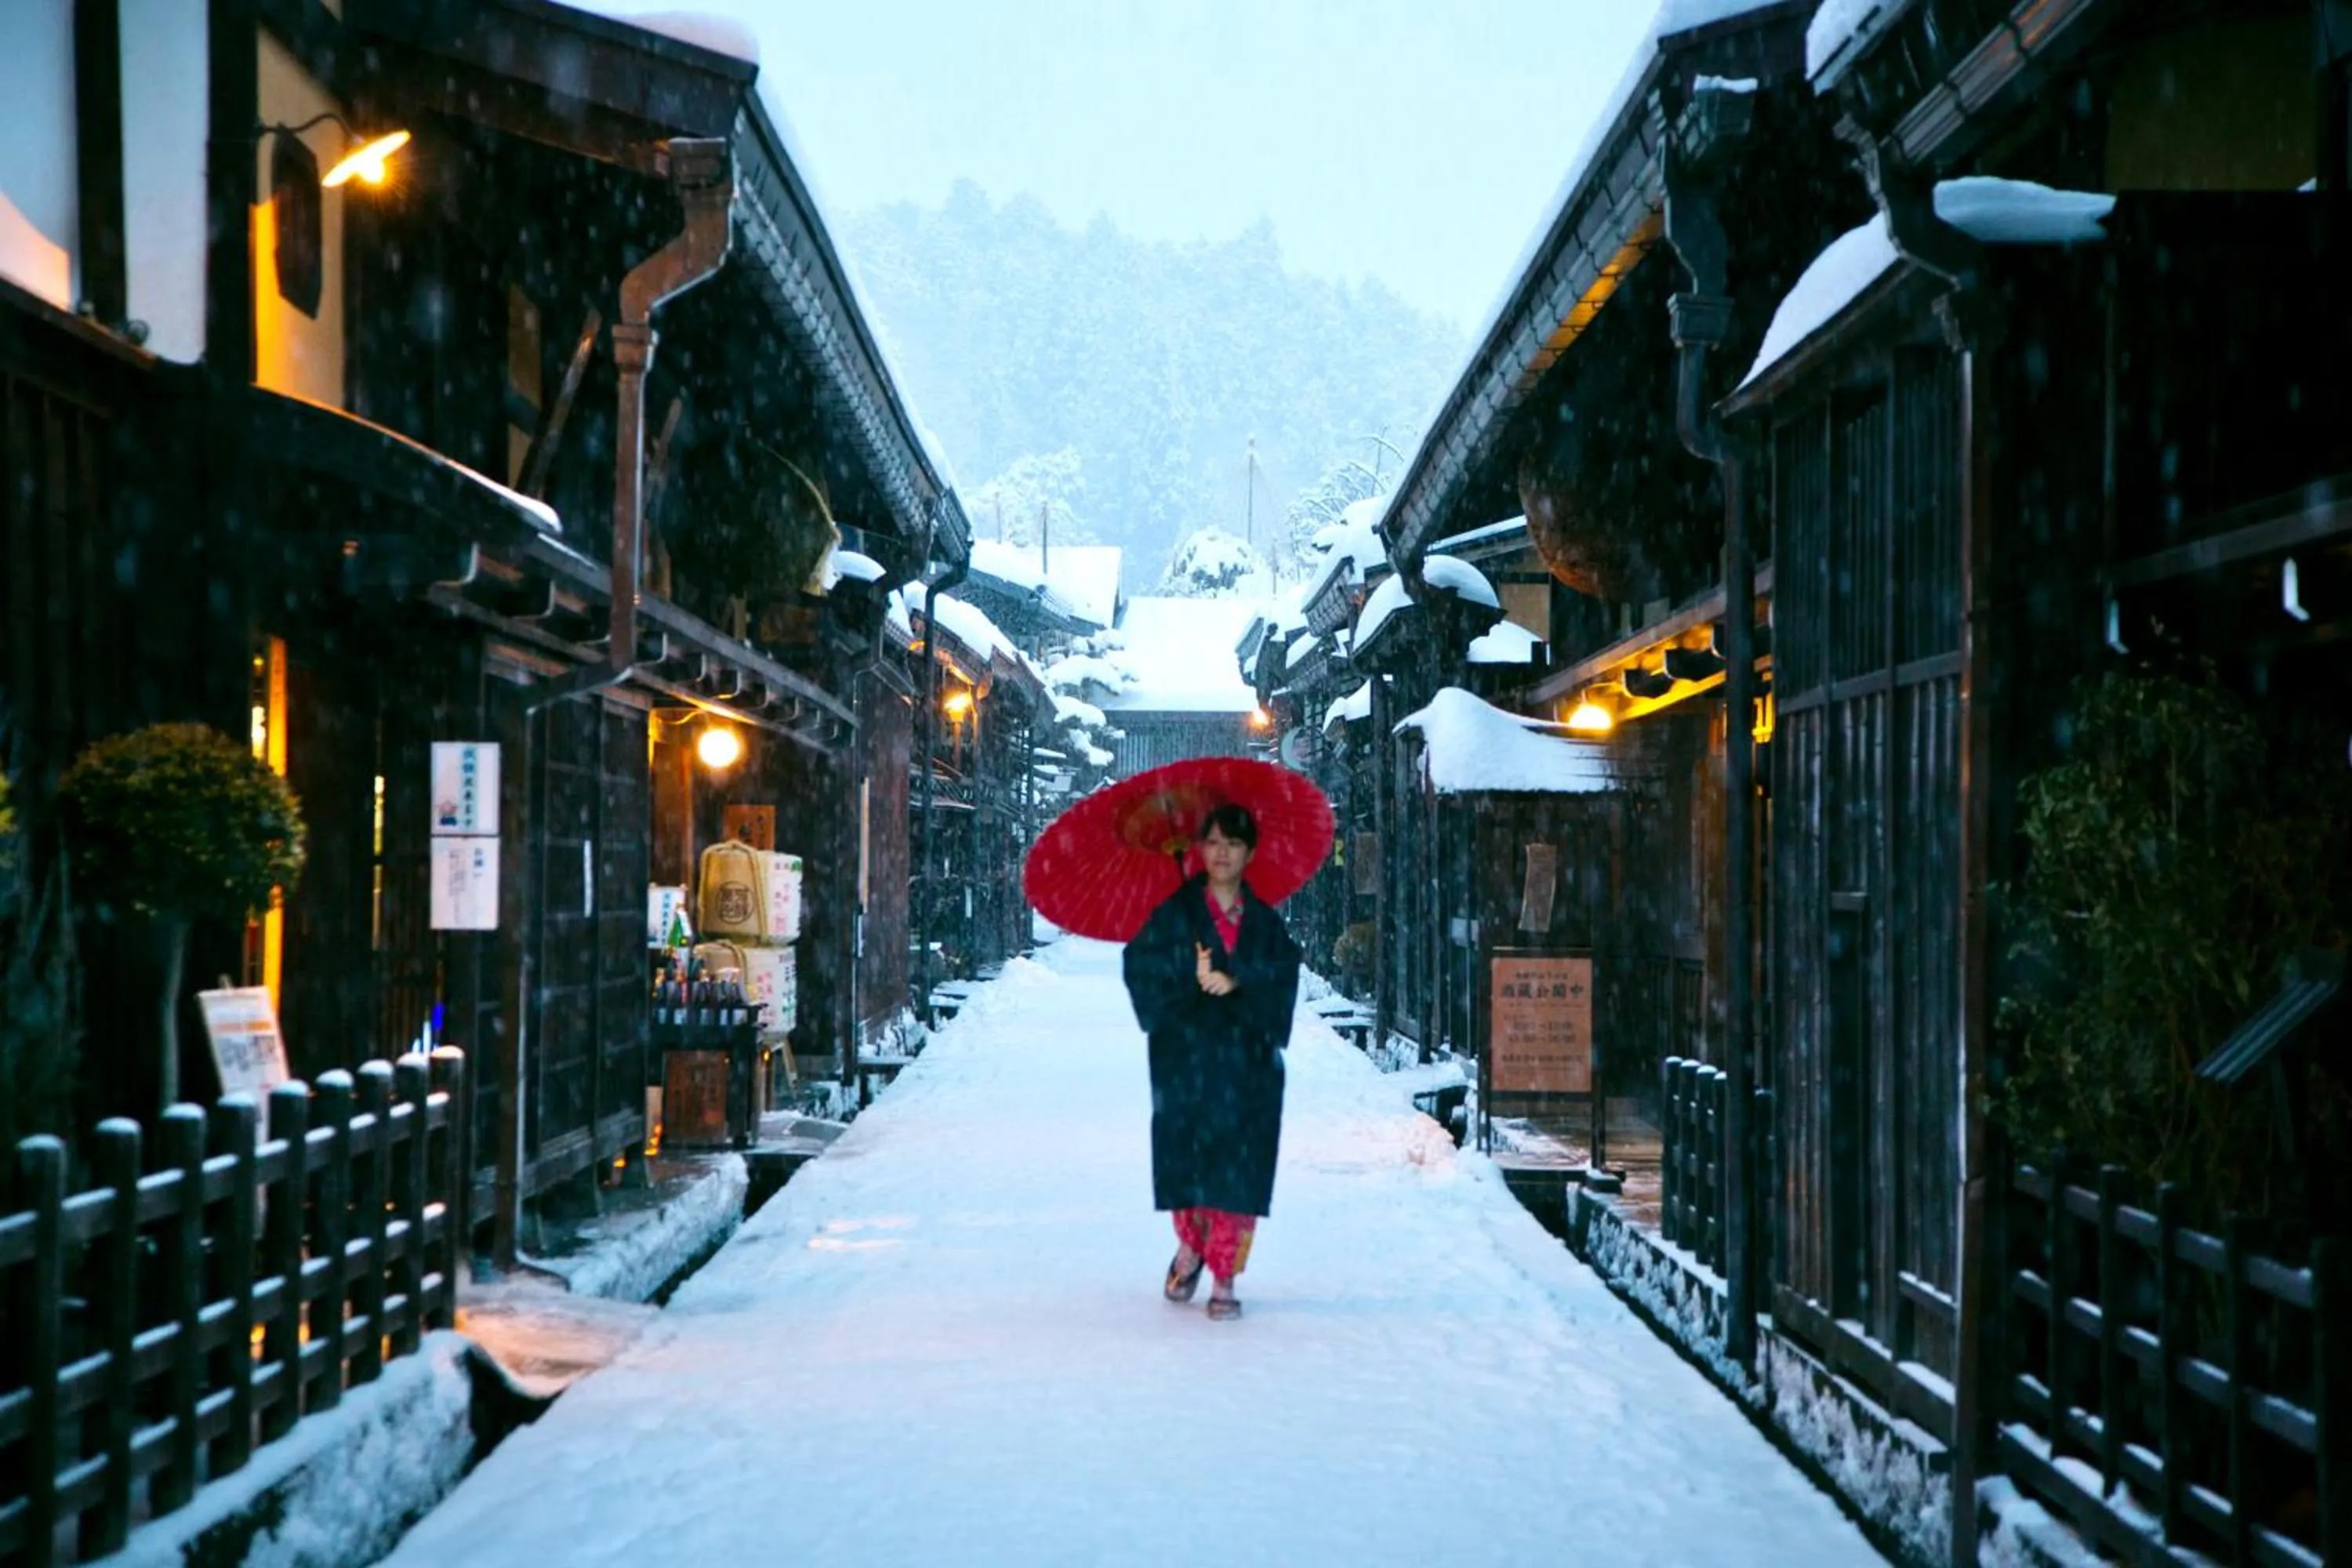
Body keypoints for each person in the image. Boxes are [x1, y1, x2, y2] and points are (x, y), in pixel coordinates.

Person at [1120, 802, 1301, 1321]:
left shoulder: (1264, 922)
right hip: (1188, 1055)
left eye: (1234, 844)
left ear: (1249, 853)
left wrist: (1237, 977)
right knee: (1191, 1159)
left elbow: (1281, 971)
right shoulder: (1176, 913)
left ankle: (1225, 1273)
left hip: (1248, 1060)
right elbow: (1140, 962)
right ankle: (1192, 1244)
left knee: (1240, 1165)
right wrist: (1187, 973)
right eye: (1214, 842)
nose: (1222, 853)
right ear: (1200, 849)